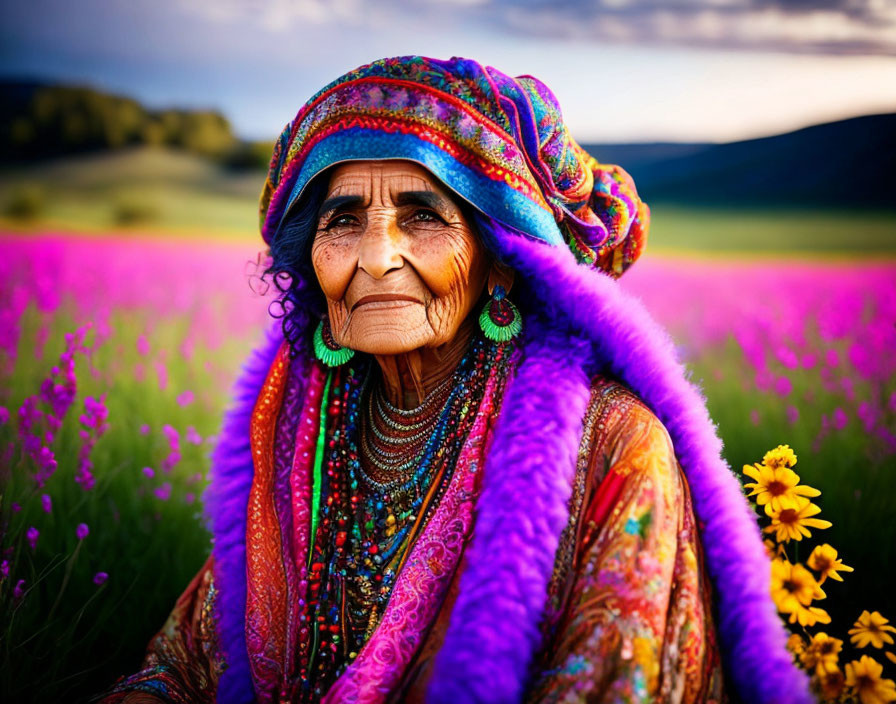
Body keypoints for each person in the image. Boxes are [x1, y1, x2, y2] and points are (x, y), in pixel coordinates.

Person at [99, 55, 811, 704]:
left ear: (502, 261)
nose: (376, 256)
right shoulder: (296, 439)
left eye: (423, 216)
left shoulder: (612, 445)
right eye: (342, 220)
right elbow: (185, 666)